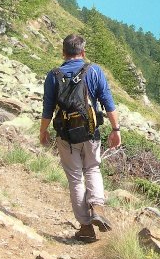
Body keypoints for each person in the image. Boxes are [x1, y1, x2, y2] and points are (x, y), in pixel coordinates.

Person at [39, 34, 122, 242]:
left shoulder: (53, 75)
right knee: (92, 168)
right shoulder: (93, 71)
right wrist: (115, 129)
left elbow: (47, 109)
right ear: (83, 52)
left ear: (63, 52)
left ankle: (85, 227)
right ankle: (97, 208)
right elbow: (108, 103)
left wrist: (43, 131)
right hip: (90, 131)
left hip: (66, 134)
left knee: (75, 178)